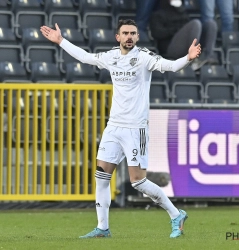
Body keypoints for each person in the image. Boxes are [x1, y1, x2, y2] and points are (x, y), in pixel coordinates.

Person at [40, 19, 201, 238]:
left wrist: (187, 58)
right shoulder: (111, 57)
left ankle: (175, 215)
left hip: (136, 128)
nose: (129, 36)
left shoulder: (144, 57)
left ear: (137, 37)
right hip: (113, 127)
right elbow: (86, 58)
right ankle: (103, 228)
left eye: (133, 33)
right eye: (125, 33)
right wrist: (61, 41)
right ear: (118, 37)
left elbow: (169, 66)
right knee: (102, 176)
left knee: (138, 182)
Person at [149, 0, 217, 69]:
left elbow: (186, 26)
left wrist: (180, 10)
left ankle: (208, 57)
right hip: (170, 47)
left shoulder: (182, 13)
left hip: (186, 45)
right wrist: (175, 30)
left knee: (211, 24)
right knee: (195, 24)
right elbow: (157, 33)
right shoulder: (158, 14)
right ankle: (193, 59)